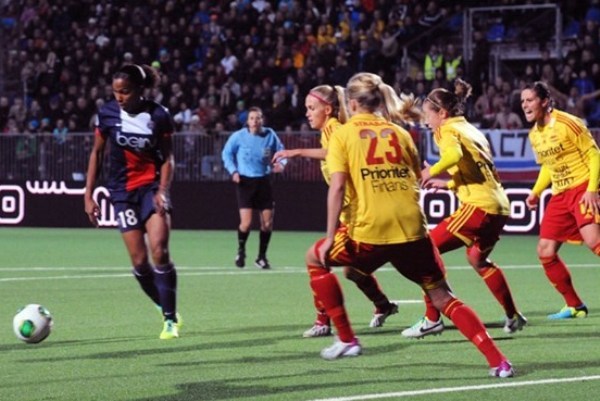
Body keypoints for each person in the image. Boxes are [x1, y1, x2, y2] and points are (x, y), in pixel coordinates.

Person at [308, 72, 514, 378]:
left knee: (315, 258)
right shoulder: (401, 133)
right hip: (413, 229)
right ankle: (499, 362)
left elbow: (337, 187)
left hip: (370, 229)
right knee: (442, 297)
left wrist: (329, 238)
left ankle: (348, 339)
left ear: (351, 103)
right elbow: (415, 179)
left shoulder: (342, 134)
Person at [401, 79, 527, 340]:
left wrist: (430, 170)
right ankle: (513, 314)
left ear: (442, 113)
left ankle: (432, 318)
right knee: (477, 259)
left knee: (425, 251)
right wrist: (447, 184)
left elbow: (454, 156)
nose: (426, 121)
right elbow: (476, 170)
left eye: (428, 115)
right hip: (499, 205)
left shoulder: (446, 130)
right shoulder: (471, 129)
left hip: (479, 206)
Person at [272, 85, 399, 337]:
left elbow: (333, 153)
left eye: (312, 108)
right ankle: (384, 305)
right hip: (355, 216)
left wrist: (296, 152)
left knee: (317, 257)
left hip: (361, 217)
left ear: (328, 109)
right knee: (352, 270)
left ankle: (324, 322)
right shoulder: (330, 130)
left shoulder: (335, 129)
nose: (307, 113)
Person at [84, 63, 181, 340]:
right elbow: (97, 154)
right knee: (140, 262)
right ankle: (163, 302)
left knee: (159, 250)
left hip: (151, 188)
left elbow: (168, 157)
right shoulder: (107, 114)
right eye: (115, 92)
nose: (119, 97)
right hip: (122, 194)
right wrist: (88, 193)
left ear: (139, 90)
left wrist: (163, 189)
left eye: (124, 92)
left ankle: (170, 320)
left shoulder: (159, 115)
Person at [521, 81, 600, 319]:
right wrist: (535, 192)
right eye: (523, 101)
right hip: (560, 194)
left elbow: (594, 154)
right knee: (545, 250)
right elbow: (548, 166)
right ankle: (574, 305)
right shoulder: (534, 134)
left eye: (530, 100)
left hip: (582, 187)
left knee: (593, 241)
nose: (525, 105)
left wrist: (592, 189)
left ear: (544, 101)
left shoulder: (569, 123)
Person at [221, 106, 286, 269]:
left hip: (264, 180)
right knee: (246, 223)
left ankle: (261, 257)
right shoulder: (238, 137)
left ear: (262, 120)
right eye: (252, 118)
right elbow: (226, 153)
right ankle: (241, 251)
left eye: (258, 118)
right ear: (247, 121)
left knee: (267, 223)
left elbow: (281, 151)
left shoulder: (270, 134)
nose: (255, 121)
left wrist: (281, 164)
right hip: (245, 182)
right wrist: (233, 171)